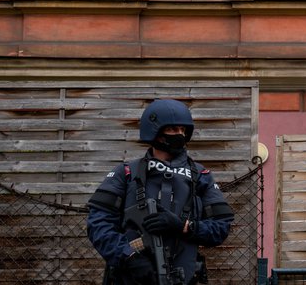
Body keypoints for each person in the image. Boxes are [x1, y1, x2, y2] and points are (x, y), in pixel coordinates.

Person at [87, 99, 234, 285]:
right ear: (154, 132)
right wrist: (129, 257)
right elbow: (98, 224)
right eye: (172, 130)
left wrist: (184, 226)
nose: (179, 135)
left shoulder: (201, 176)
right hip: (131, 278)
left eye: (183, 130)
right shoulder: (125, 173)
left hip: (183, 278)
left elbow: (221, 227)